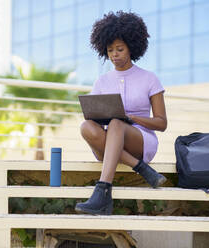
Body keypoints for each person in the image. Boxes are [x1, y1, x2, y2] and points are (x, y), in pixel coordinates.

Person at [75, 11, 167, 215]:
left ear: (131, 47)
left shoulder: (149, 79)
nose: (114, 54)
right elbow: (92, 118)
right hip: (109, 144)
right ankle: (141, 168)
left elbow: (162, 123)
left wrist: (132, 118)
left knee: (117, 123)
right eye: (110, 50)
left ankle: (102, 192)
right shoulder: (102, 81)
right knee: (86, 126)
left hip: (141, 139)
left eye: (119, 49)